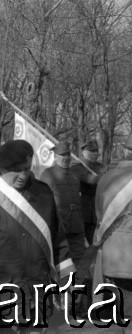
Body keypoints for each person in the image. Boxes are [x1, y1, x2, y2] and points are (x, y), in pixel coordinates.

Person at [0, 140, 75, 330]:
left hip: (38, 294)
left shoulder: (44, 193)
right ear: (1, 169)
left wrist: (66, 278)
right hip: (1, 298)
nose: (23, 175)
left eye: (27, 168)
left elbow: (57, 239)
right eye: (17, 170)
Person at [93, 133, 132, 321]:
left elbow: (98, 214)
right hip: (129, 257)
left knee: (122, 314)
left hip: (112, 256)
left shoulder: (106, 177)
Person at [40, 142, 96, 269]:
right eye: (62, 155)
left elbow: (92, 182)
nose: (66, 157)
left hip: (76, 223)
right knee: (61, 259)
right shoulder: (48, 174)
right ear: (55, 156)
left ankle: (79, 286)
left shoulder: (76, 173)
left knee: (80, 258)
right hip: (60, 224)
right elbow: (43, 201)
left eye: (68, 154)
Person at [71, 139, 106, 244]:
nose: (96, 153)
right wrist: (108, 177)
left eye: (96, 151)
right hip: (84, 210)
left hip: (99, 208)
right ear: (84, 153)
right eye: (92, 151)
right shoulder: (77, 167)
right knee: (83, 241)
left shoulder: (101, 167)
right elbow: (91, 180)